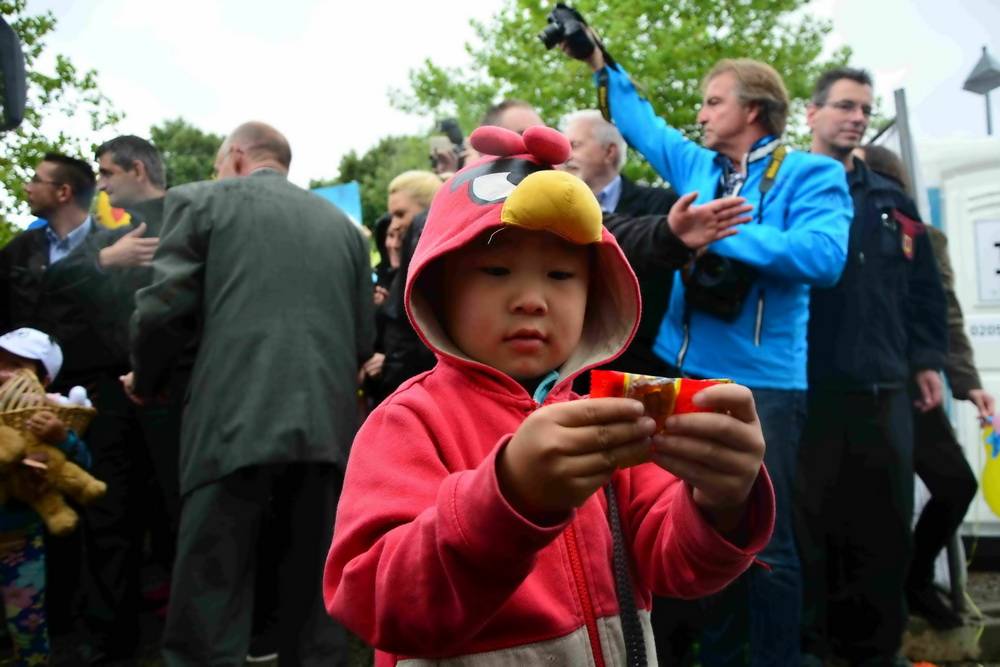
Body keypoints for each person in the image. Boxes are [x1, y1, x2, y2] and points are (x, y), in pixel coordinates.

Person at [324, 124, 775, 665]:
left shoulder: (606, 411)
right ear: (439, 286)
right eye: (496, 270)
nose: (532, 300)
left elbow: (677, 565)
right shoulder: (408, 421)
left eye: (561, 274)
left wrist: (723, 500)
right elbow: (374, 602)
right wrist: (506, 499)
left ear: (596, 292)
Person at [565, 31, 852, 666]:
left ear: (753, 110)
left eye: (713, 102)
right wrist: (599, 62)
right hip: (680, 370)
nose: (699, 114)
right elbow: (642, 125)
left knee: (765, 540)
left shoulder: (814, 172)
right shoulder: (699, 166)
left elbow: (825, 257)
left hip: (765, 383)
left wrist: (717, 238)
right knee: (690, 522)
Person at [126, 121, 374, 665]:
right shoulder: (344, 230)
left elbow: (162, 310)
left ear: (237, 156)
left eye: (219, 164)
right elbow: (362, 337)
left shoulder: (199, 202)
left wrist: (146, 380)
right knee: (312, 605)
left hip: (230, 423)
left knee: (210, 600)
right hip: (326, 431)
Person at [796, 69, 947, 665]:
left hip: (883, 392)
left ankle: (878, 653)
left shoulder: (892, 203)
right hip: (807, 392)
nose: (856, 117)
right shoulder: (787, 192)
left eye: (864, 108)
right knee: (810, 536)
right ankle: (813, 652)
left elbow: (925, 293)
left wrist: (928, 360)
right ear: (811, 114)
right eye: (844, 106)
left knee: (883, 537)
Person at [0, 152, 150, 662]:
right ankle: (50, 621)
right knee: (34, 498)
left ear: (63, 192)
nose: (27, 187)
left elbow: (129, 314)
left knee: (106, 509)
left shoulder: (118, 240)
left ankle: (110, 635)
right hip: (24, 399)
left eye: (36, 180)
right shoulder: (21, 250)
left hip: (103, 393)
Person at [857, 143, 992, 630]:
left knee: (956, 483)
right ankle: (879, 605)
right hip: (857, 390)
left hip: (916, 388)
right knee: (874, 504)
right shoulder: (836, 228)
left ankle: (913, 581)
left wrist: (966, 382)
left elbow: (946, 313)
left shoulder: (923, 237)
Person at [0, 328, 93, 667]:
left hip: (19, 543)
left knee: (27, 621)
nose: (1, 371)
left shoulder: (50, 418)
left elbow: (82, 465)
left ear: (43, 379)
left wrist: (61, 439)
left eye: (14, 365)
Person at [360, 171, 442, 405]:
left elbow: (421, 340)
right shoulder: (404, 266)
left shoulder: (435, 269)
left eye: (400, 214)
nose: (394, 223)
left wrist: (388, 364)